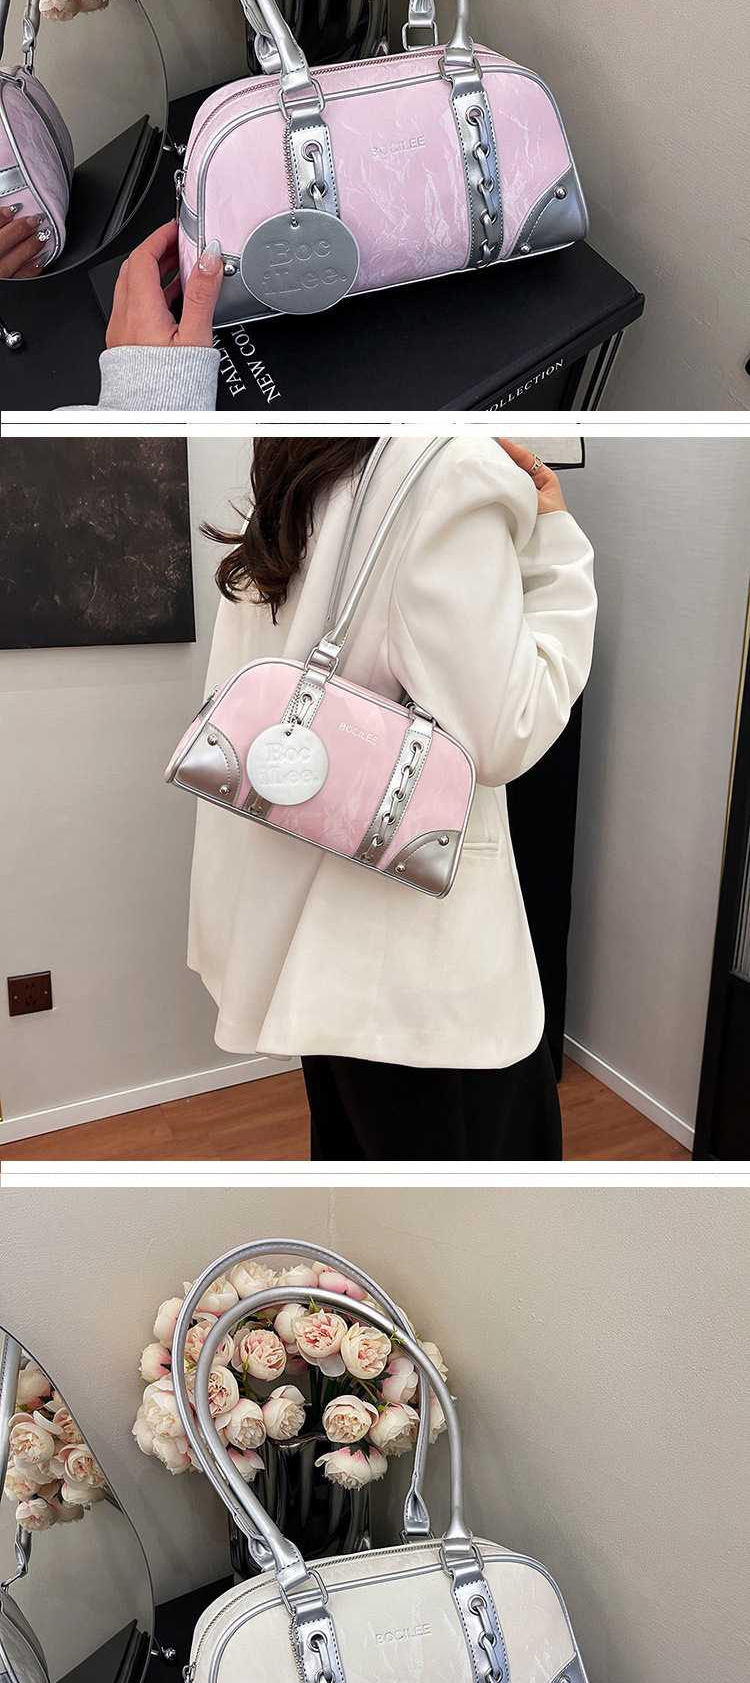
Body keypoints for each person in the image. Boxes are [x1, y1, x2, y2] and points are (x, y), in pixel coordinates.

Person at [181, 431, 597, 1160]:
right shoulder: (452, 469)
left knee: (361, 1172)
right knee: (480, 1202)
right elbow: (507, 732)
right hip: (416, 972)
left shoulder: (302, 456)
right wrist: (556, 547)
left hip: (307, 933)